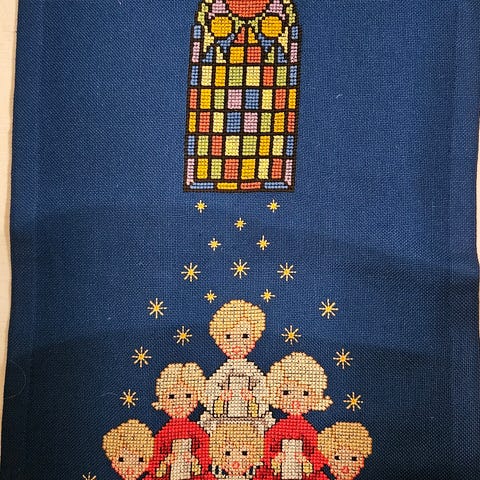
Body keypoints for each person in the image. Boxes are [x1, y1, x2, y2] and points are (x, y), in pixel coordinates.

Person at [200, 300, 274, 434]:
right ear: (219, 341)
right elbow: (210, 390)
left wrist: (252, 398)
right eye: (228, 337)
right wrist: (220, 397)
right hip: (225, 419)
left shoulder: (252, 371)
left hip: (249, 420)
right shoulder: (222, 371)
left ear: (254, 338)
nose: (236, 344)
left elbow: (264, 390)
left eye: (244, 336)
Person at [263, 352, 332, 480]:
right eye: (286, 392)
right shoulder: (278, 428)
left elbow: (320, 450)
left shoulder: (308, 429)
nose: (295, 400)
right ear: (275, 394)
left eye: (305, 393)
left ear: (315, 398)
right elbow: (265, 446)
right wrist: (274, 459)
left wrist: (307, 462)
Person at [145, 363, 210, 480]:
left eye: (188, 395)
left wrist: (194, 460)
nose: (179, 402)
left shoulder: (195, 430)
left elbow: (205, 447)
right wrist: (165, 462)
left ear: (198, 396)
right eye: (171, 396)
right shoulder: (164, 432)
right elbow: (154, 452)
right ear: (162, 399)